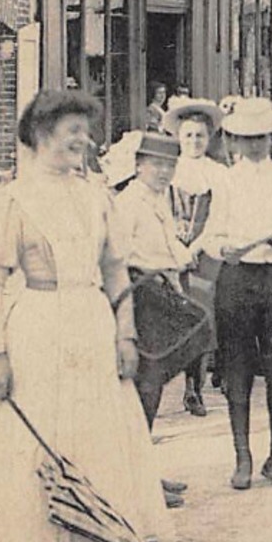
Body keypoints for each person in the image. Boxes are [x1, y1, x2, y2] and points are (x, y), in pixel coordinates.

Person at [0, 90, 168, 542]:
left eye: (86, 131)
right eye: (72, 131)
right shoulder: (12, 200)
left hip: (91, 324)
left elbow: (114, 269)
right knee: (38, 442)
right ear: (40, 135)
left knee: (105, 438)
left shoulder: (97, 196)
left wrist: (125, 333)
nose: (82, 141)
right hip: (36, 330)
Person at [202, 97, 272, 489]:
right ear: (235, 140)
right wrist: (222, 249)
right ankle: (242, 456)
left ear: (271, 137)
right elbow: (212, 234)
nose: (255, 145)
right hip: (238, 280)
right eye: (247, 138)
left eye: (262, 138)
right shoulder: (225, 180)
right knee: (237, 366)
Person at [112, 131, 196, 444]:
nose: (164, 172)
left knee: (155, 381)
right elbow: (117, 258)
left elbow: (168, 248)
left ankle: (145, 467)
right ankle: (137, 469)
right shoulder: (129, 203)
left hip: (160, 293)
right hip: (139, 295)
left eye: (170, 166)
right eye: (156, 165)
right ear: (138, 166)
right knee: (145, 383)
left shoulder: (158, 201)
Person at [162, 96, 225, 417]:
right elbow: (159, 213)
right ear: (178, 137)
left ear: (209, 138)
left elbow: (220, 219)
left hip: (205, 253)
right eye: (188, 135)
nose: (194, 141)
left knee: (201, 316)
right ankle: (156, 389)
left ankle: (194, 389)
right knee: (167, 317)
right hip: (169, 252)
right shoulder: (168, 171)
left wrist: (196, 246)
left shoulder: (218, 173)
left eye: (200, 135)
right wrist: (174, 246)